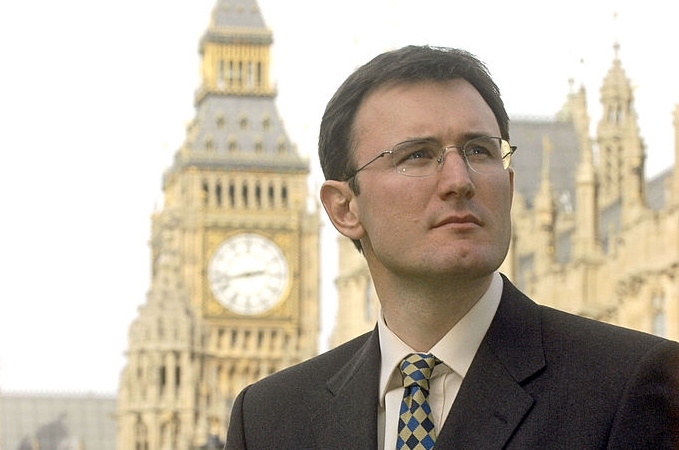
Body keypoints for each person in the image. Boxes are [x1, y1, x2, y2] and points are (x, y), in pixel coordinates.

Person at [225, 45, 679, 449]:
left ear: (510, 186)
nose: (459, 180)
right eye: (417, 155)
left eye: (479, 151)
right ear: (344, 208)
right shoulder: (268, 420)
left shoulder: (631, 385)